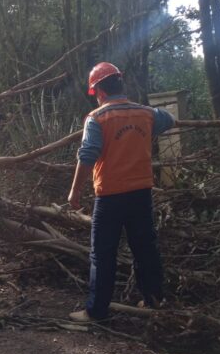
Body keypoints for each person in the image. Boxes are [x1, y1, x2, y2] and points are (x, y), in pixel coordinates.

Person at [67, 62, 175, 322]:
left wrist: (74, 192)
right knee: (145, 249)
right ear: (120, 84)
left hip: (110, 197)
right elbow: (170, 119)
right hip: (141, 194)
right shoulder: (145, 114)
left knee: (103, 253)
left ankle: (96, 311)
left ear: (99, 92)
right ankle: (154, 300)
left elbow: (88, 154)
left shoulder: (97, 118)